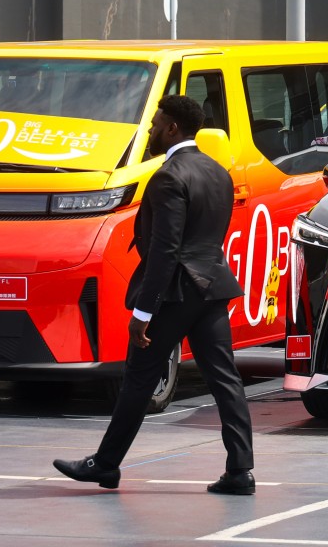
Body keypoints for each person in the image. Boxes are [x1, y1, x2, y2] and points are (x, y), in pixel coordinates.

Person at [53, 95, 255, 495]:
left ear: (172, 129)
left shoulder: (168, 177)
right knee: (225, 380)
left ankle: (106, 464)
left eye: (155, 124)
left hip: (177, 293)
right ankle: (240, 471)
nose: (150, 131)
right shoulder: (218, 172)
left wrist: (143, 313)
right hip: (212, 287)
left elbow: (165, 250)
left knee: (139, 380)